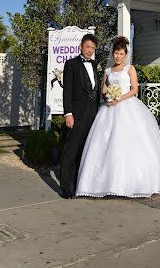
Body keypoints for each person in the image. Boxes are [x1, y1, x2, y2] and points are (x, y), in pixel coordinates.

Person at [75, 36, 160, 197]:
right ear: (112, 54)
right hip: (109, 109)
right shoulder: (107, 71)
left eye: (121, 53)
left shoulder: (129, 69)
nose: (118, 56)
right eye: (116, 53)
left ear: (125, 55)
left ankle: (136, 182)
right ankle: (107, 183)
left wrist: (120, 99)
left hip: (128, 107)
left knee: (132, 144)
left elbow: (134, 89)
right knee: (107, 145)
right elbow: (103, 90)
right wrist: (107, 98)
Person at [59, 33, 100, 199]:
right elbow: (67, 90)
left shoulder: (94, 64)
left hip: (92, 114)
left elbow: (95, 90)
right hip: (76, 115)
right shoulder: (71, 64)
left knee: (84, 151)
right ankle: (65, 188)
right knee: (70, 151)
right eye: (87, 47)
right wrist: (68, 113)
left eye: (92, 48)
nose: (90, 50)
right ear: (81, 47)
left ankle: (78, 185)